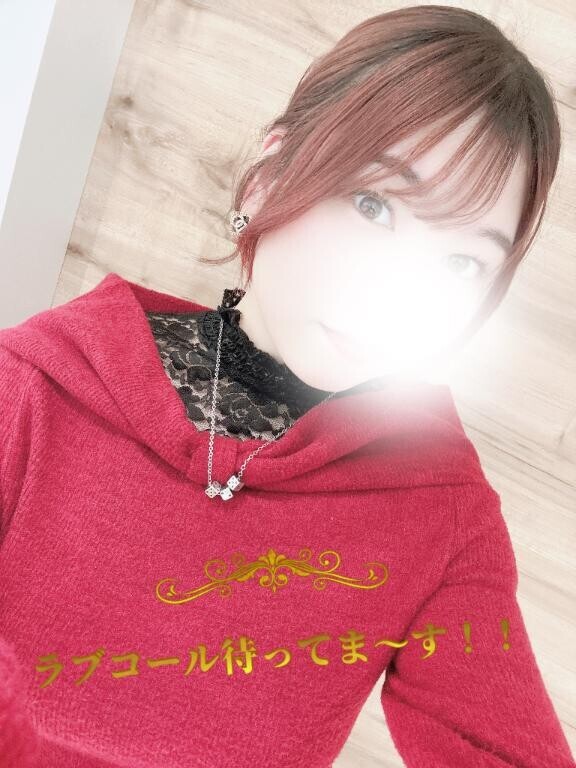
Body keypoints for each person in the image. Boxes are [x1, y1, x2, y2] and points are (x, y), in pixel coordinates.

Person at [0, 5, 574, 767]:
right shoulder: (35, 385)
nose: (399, 286)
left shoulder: (439, 511)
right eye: (375, 204)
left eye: (462, 262)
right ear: (271, 174)